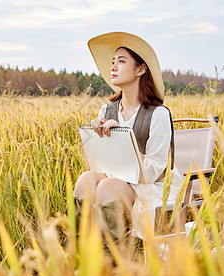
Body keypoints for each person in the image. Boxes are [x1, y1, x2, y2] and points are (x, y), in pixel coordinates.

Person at [73, 32, 184, 245]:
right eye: (113, 62)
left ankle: (110, 263)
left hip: (150, 185)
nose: (113, 67)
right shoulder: (107, 109)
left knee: (106, 187)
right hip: (115, 179)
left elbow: (155, 171)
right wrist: (99, 138)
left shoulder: (158, 114)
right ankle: (81, 251)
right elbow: (100, 165)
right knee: (86, 179)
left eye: (121, 61)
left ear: (140, 69)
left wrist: (122, 139)